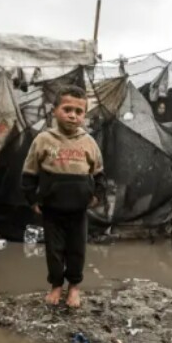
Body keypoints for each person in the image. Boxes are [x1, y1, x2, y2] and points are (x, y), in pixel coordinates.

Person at [22, 86, 105, 309]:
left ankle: (74, 287)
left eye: (79, 111)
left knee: (77, 249)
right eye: (67, 109)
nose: (72, 115)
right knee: (54, 251)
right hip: (52, 209)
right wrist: (33, 199)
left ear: (84, 115)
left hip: (78, 210)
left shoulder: (89, 142)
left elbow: (99, 174)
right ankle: (56, 285)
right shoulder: (43, 140)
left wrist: (96, 196)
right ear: (54, 110)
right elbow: (29, 174)